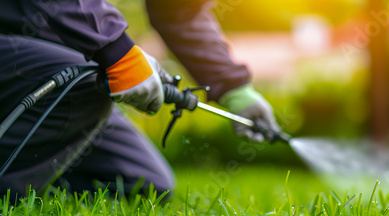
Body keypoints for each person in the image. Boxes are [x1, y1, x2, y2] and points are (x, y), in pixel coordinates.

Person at [0, 0, 280, 199]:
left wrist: (235, 89)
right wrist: (115, 49)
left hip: (45, 54)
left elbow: (179, 11)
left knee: (141, 185)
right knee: (81, 85)